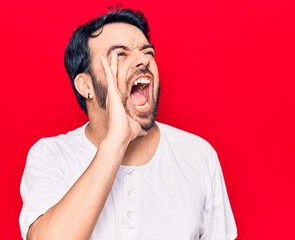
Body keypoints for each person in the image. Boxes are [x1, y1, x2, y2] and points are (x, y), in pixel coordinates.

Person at [19, 8, 237, 240]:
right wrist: (116, 141)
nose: (144, 60)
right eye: (120, 54)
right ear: (86, 85)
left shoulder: (198, 155)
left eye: (147, 52)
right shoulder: (51, 155)